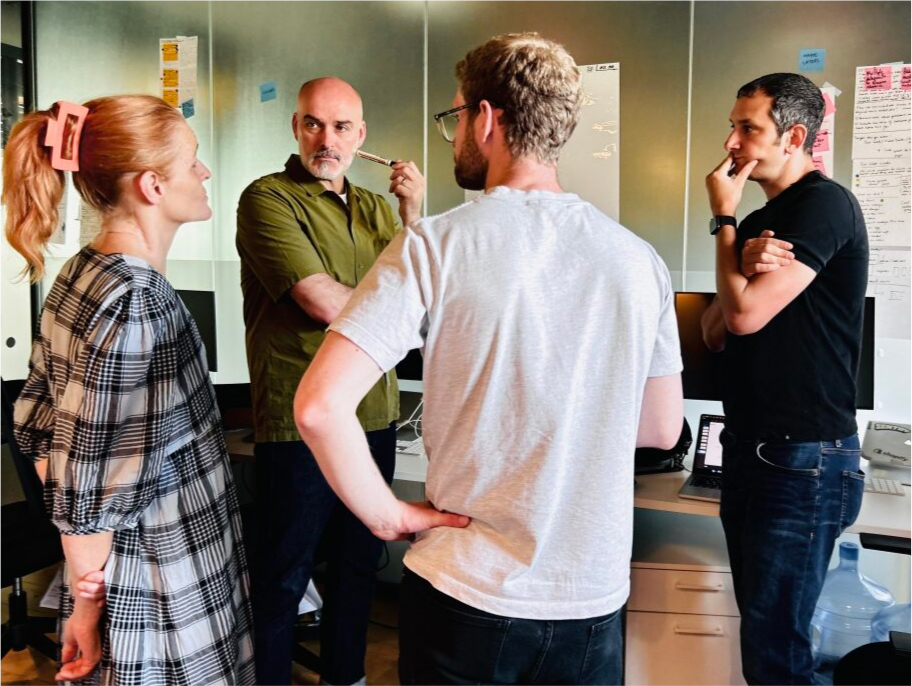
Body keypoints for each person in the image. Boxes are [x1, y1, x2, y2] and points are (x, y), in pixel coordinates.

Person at [293, 33, 684, 685]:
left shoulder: (434, 246)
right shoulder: (637, 260)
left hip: (464, 593)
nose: (453, 138)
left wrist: (388, 515)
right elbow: (659, 430)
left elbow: (319, 406)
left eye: (454, 118)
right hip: (591, 602)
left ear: (486, 118)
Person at [4, 95, 255, 685]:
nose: (204, 171)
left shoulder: (82, 271)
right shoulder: (136, 300)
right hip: (159, 574)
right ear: (152, 185)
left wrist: (84, 572)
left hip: (126, 564)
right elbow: (89, 475)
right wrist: (89, 604)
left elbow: (37, 425)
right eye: (192, 160)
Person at [235, 76, 425, 686]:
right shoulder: (267, 199)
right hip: (300, 418)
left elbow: (424, 290)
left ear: (361, 136)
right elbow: (321, 301)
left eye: (342, 127)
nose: (327, 139)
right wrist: (402, 316)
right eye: (314, 124)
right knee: (283, 572)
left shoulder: (376, 209)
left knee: (357, 564)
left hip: (373, 413)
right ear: (295, 127)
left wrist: (414, 216)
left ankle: (348, 678)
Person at [701, 73, 869, 685]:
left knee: (777, 654)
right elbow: (715, 331)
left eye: (749, 128)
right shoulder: (760, 222)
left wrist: (722, 217)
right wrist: (737, 253)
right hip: (752, 450)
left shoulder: (824, 206)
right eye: (734, 124)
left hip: (803, 459)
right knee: (765, 638)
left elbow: (743, 315)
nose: (732, 142)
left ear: (794, 135)